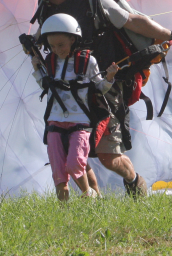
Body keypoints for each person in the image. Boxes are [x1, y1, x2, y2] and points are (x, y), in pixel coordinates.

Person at [27, 0, 172, 197]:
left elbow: (133, 21)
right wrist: (32, 43)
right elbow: (47, 34)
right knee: (71, 149)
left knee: (108, 156)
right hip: (70, 89)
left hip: (106, 85)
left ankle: (134, 181)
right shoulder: (47, 6)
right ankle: (94, 202)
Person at [32, 13, 119, 201]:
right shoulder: (51, 62)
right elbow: (45, 87)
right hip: (55, 120)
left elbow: (100, 88)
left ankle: (90, 195)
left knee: (75, 164)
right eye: (52, 46)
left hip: (80, 121)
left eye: (61, 45)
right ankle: (64, 213)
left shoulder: (87, 62)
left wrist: (110, 78)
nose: (57, 50)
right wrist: (37, 69)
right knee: (58, 170)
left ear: (73, 39)